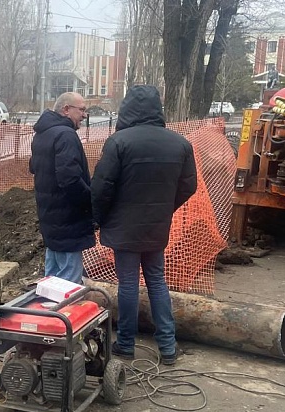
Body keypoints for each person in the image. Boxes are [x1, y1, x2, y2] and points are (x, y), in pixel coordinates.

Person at [91, 85, 197, 366]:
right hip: (156, 227)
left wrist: (98, 218)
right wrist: (164, 208)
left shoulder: (119, 142)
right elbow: (189, 186)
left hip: (124, 227)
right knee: (157, 282)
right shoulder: (180, 143)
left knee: (127, 284)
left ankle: (125, 344)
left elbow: (102, 187)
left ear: (127, 110)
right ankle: (168, 346)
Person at [29, 91, 95, 285]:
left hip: (51, 218)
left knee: (51, 280)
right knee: (68, 284)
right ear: (66, 110)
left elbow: (34, 166)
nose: (85, 115)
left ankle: (45, 313)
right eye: (82, 110)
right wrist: (90, 202)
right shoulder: (66, 135)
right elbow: (70, 180)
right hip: (69, 222)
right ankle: (62, 314)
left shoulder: (43, 133)